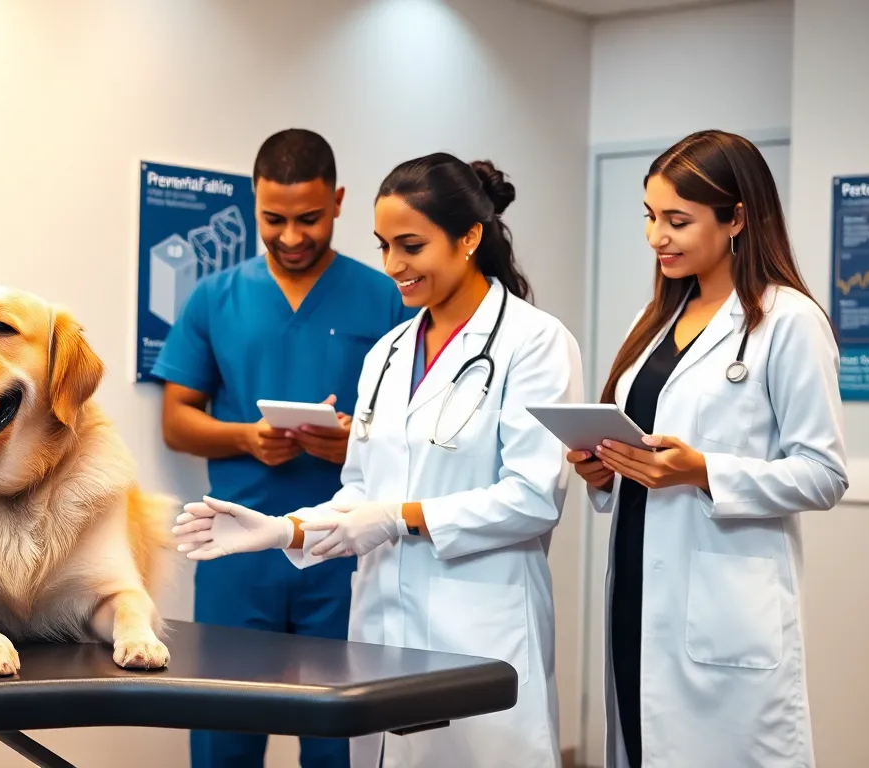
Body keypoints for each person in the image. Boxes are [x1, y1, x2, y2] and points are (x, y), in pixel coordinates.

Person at [172, 152, 584, 768]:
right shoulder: (390, 352)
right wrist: (286, 530)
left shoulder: (535, 341)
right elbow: (360, 490)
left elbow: (531, 497)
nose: (392, 266)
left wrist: (398, 517)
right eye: (384, 245)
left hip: (478, 626)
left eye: (410, 246)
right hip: (382, 630)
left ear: (469, 236)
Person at [571, 129, 848, 768]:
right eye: (650, 217)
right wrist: (604, 470)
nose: (656, 237)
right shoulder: (660, 322)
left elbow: (824, 474)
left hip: (722, 607)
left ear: (737, 218)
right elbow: (645, 453)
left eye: (677, 220)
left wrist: (704, 471)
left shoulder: (789, 321)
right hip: (639, 588)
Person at [150, 128, 411, 768]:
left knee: (339, 741)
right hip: (236, 552)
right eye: (274, 219)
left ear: (339, 202)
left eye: (309, 219)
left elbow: (411, 425)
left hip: (340, 551)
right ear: (252, 203)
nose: (292, 237)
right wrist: (247, 438)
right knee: (224, 733)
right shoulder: (215, 297)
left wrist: (353, 443)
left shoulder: (384, 296)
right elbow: (177, 421)